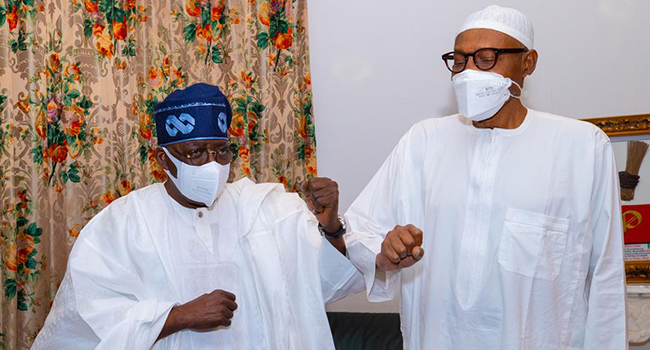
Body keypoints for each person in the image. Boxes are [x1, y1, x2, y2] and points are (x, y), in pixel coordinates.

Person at [344, 5, 627, 350]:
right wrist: (383, 252)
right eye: (460, 60)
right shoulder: (423, 141)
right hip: (438, 339)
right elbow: (360, 228)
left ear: (528, 63)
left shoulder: (581, 146)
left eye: (486, 57)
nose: (468, 72)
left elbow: (605, 275)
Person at [33, 83, 363, 349]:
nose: (213, 164)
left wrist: (331, 224)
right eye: (196, 153)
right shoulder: (122, 225)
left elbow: (321, 283)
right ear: (163, 159)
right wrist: (178, 316)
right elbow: (85, 325)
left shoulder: (265, 208)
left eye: (221, 150)